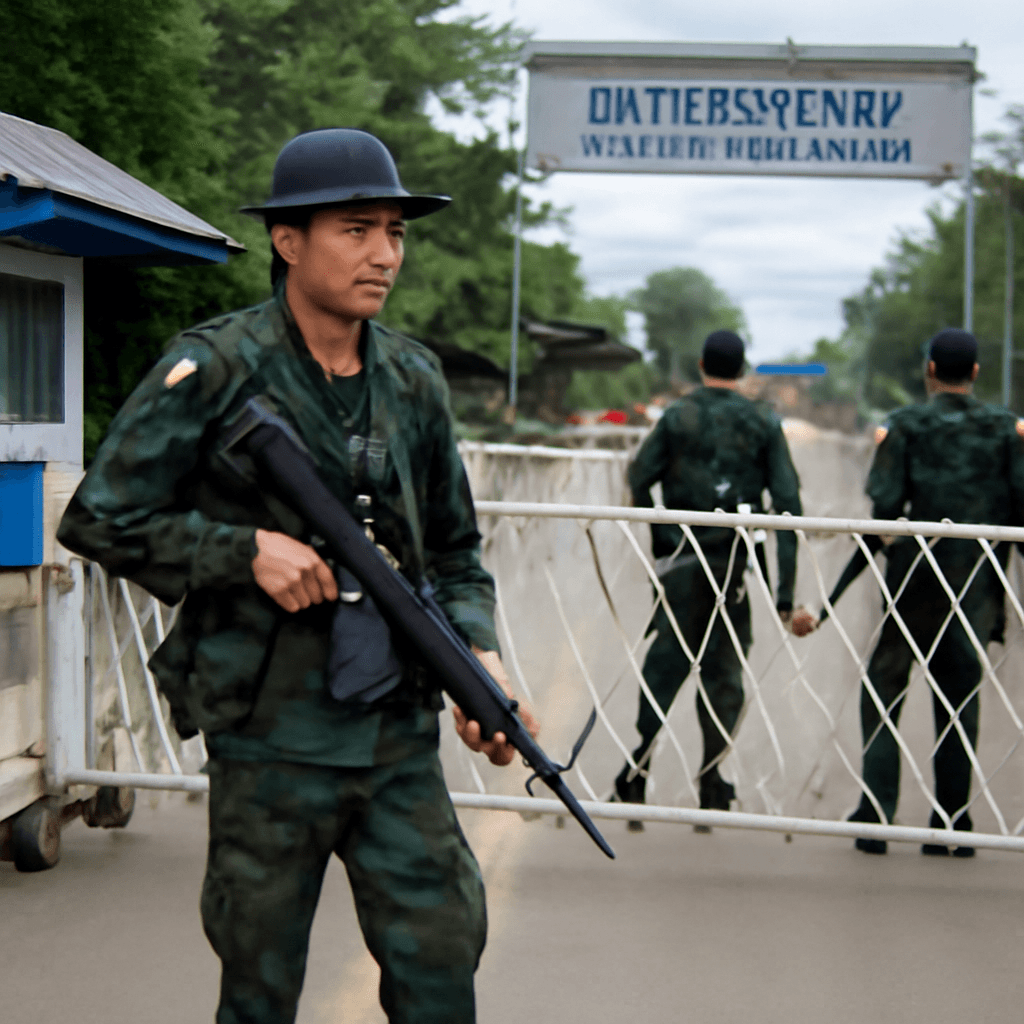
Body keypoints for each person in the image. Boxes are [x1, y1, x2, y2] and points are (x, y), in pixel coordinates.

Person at [57, 128, 537, 1024]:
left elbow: (456, 548)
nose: (384, 254)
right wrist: (241, 551)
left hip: (396, 738)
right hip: (270, 742)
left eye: (395, 232)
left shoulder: (413, 379)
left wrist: (481, 661)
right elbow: (99, 518)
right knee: (260, 982)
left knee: (441, 959)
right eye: (357, 229)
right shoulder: (214, 366)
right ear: (289, 240)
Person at [801, 329, 1024, 858]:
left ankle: (876, 815)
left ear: (929, 369)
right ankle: (952, 820)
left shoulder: (903, 426)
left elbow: (883, 516)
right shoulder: (1006, 432)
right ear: (974, 372)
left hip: (914, 583)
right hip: (976, 582)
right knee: (959, 698)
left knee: (883, 691)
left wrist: (830, 599)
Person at [613, 330, 808, 827]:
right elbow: (787, 504)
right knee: (723, 674)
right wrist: (784, 594)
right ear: (743, 369)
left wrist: (662, 543)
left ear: (701, 364)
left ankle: (638, 768)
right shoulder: (762, 420)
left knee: (664, 665)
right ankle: (713, 781)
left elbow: (639, 477)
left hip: (683, 561)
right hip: (734, 568)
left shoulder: (678, 416)